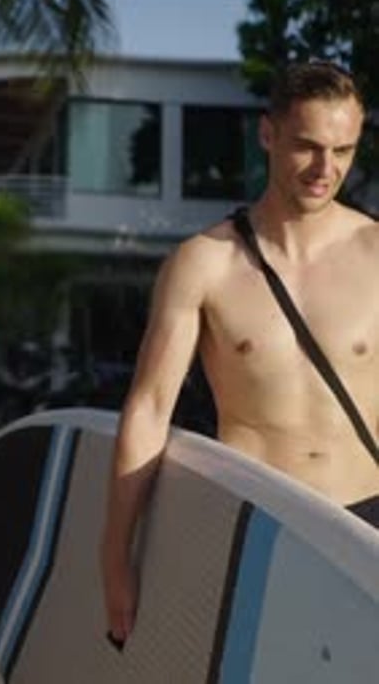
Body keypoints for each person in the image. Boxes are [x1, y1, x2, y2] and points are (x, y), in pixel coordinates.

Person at [101, 60, 379, 646]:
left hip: (367, 522)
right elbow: (150, 412)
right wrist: (114, 556)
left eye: (344, 150)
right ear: (268, 134)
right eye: (307, 146)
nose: (325, 169)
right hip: (255, 522)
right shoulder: (204, 263)